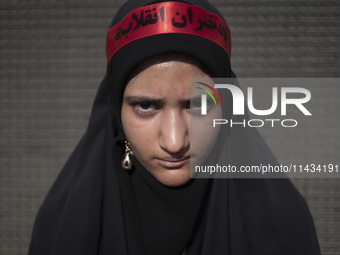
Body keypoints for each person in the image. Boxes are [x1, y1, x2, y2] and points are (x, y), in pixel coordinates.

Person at [29, 0, 321, 254]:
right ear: (116, 113)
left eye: (199, 105)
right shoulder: (63, 230)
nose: (174, 140)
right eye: (146, 106)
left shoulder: (283, 227)